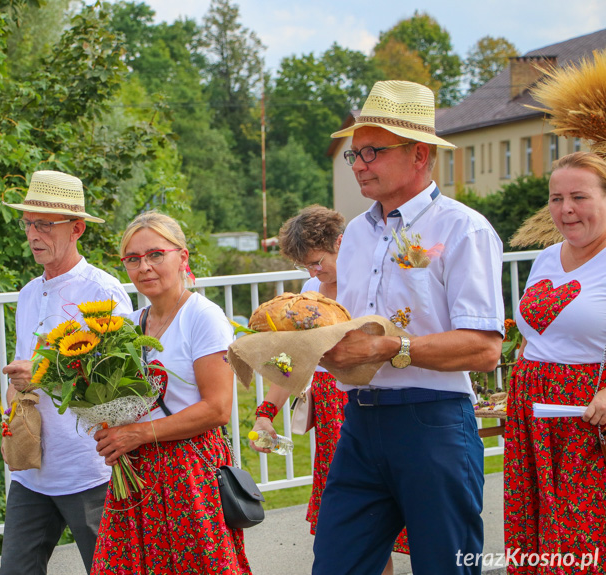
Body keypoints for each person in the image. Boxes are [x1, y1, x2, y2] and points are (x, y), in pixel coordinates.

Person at [314, 80, 505, 574]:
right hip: (359, 422)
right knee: (336, 565)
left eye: (371, 152)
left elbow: (484, 350)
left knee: (446, 566)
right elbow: (346, 326)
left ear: (420, 155)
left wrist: (387, 347)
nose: (357, 165)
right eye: (353, 155)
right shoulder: (354, 233)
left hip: (433, 421)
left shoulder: (463, 228)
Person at [90, 211, 252, 575]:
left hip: (189, 469)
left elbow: (217, 409)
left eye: (155, 255)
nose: (144, 267)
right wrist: (107, 425)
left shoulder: (203, 317)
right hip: (136, 472)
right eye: (133, 259)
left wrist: (135, 433)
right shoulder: (129, 326)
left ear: (183, 257)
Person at [249, 205, 408, 575]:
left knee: (387, 512)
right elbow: (292, 359)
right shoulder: (308, 291)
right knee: (355, 523)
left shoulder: (372, 283)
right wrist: (265, 413)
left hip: (372, 400)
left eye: (318, 262)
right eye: (306, 266)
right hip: (329, 406)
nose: (313, 272)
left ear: (341, 243)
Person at [0, 170, 132, 575]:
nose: (33, 234)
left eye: (44, 224)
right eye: (28, 223)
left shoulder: (104, 291)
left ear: (76, 229)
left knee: (109, 569)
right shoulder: (26, 293)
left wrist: (42, 374)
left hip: (89, 466)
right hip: (34, 467)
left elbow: (124, 385)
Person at [504, 152, 606, 572]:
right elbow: (540, 329)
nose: (565, 209)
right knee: (535, 528)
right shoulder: (546, 257)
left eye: (579, 196)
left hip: (587, 415)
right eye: (555, 197)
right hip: (533, 412)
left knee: (580, 539)